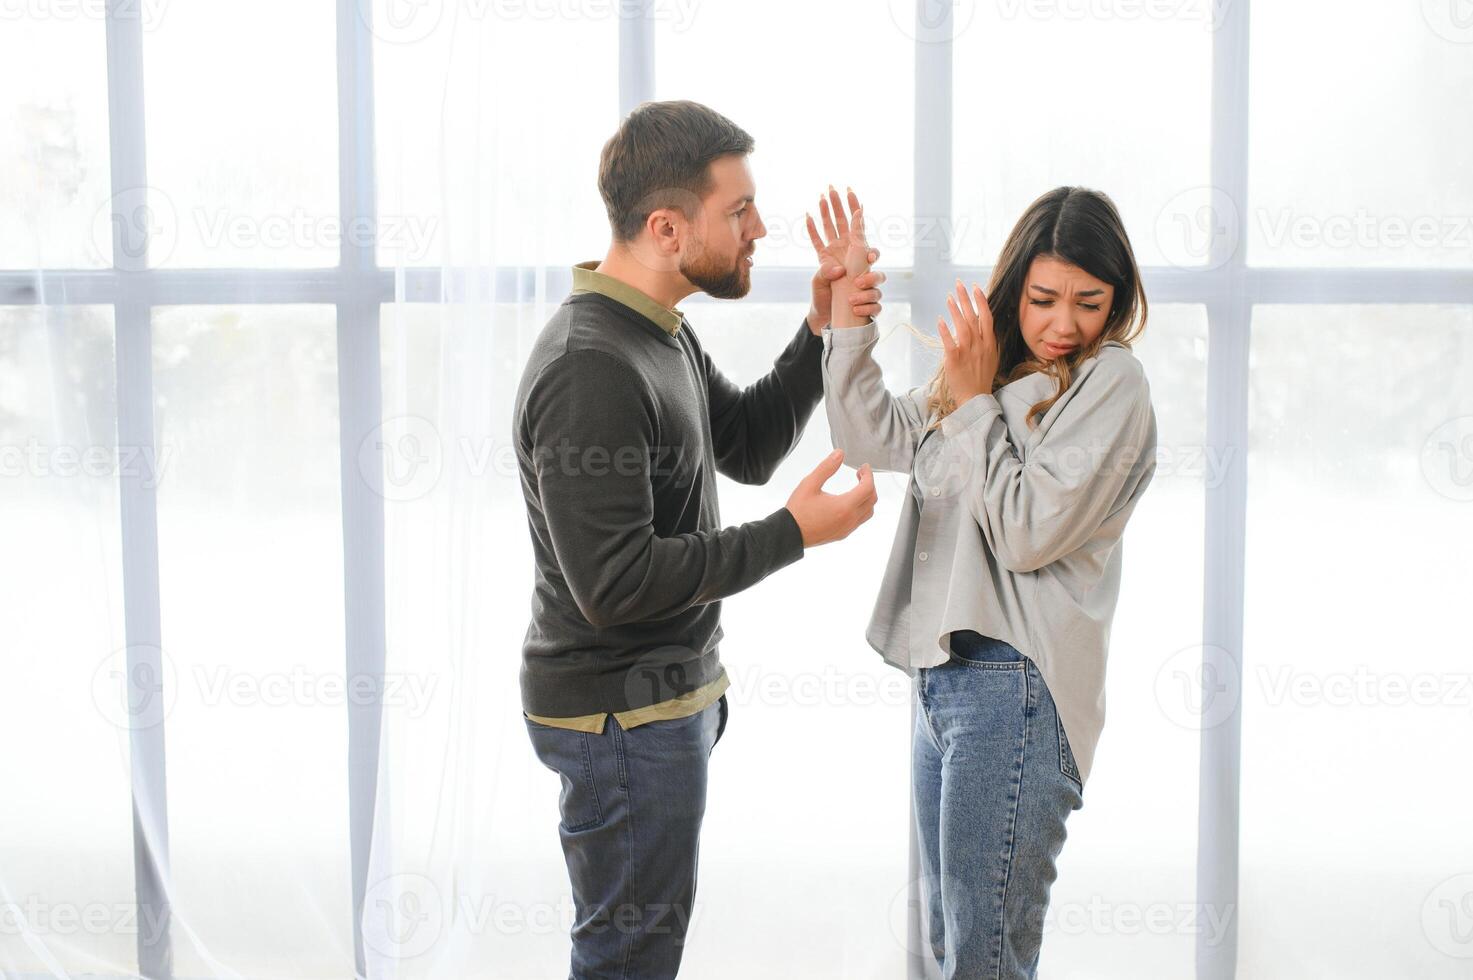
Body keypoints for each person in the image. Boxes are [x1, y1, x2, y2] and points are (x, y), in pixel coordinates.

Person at [513, 99, 883, 979]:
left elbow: (748, 446)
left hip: (662, 704)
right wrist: (793, 534)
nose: (760, 230)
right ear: (667, 226)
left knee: (639, 952)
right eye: (739, 211)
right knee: (627, 960)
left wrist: (819, 326)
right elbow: (616, 583)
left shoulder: (655, 333)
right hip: (621, 718)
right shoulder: (590, 367)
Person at [813, 185, 1159, 979]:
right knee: (956, 948)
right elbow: (866, 433)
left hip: (1018, 688)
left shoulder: (1110, 385)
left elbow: (1027, 532)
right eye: (1041, 299)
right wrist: (846, 313)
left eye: (1088, 302)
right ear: (1014, 292)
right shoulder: (988, 374)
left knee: (984, 958)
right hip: (944, 683)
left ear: (1119, 302)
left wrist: (972, 403)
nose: (1063, 324)